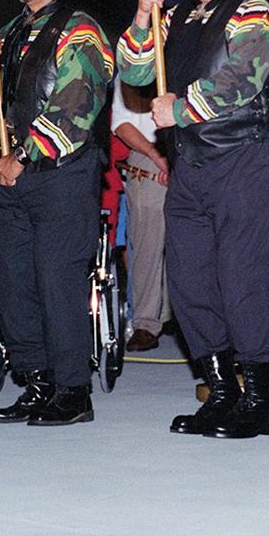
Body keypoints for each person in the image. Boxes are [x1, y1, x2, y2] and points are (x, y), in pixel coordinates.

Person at [118, 0, 269, 440]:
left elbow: (244, 76)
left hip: (246, 162)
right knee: (191, 283)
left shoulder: (254, 10)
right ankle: (221, 393)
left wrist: (184, 107)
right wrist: (141, 14)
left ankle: (260, 400)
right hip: (192, 168)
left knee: (244, 281)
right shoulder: (175, 18)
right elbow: (132, 69)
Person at [0, 0, 113, 428]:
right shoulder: (9, 31)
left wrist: (22, 156)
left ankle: (73, 390)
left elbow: (76, 109)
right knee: (12, 282)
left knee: (57, 283)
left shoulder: (81, 30)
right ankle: (36, 381)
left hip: (60, 176)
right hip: (13, 181)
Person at [110, 76, 169, 351]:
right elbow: (121, 124)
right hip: (147, 152)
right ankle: (145, 322)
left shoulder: (192, 50)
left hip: (195, 147)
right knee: (146, 240)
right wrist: (156, 154)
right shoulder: (133, 65)